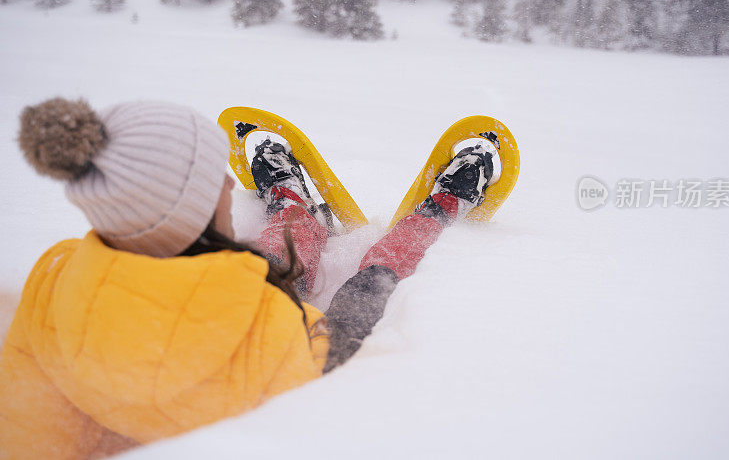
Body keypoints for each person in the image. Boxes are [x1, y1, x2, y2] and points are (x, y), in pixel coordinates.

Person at [0, 98, 494, 459]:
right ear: (185, 210)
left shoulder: (52, 273)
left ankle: (293, 205)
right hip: (290, 348)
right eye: (216, 177)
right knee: (366, 290)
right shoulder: (269, 329)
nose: (230, 184)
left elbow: (28, 432)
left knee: (257, 267)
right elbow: (324, 398)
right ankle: (434, 212)